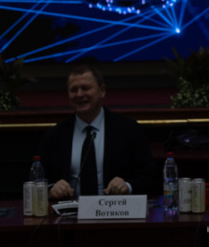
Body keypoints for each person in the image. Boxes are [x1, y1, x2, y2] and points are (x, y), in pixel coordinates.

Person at [38, 63, 155, 198]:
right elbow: (37, 180)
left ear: (102, 91)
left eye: (86, 88)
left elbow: (150, 178)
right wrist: (51, 189)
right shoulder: (55, 135)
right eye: (74, 90)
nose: (79, 94)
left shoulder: (128, 129)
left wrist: (127, 186)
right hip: (69, 210)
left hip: (116, 209)